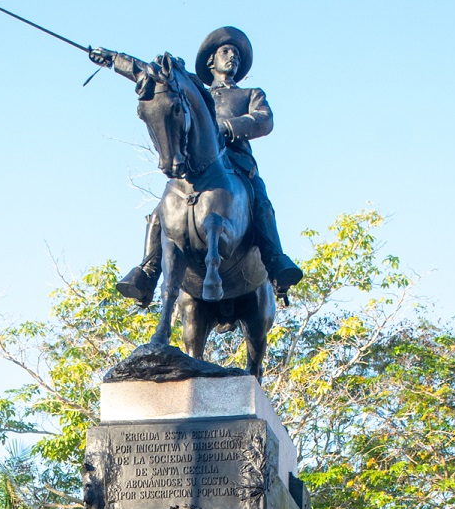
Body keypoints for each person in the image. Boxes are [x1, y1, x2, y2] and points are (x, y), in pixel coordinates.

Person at [92, 26, 303, 306]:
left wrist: (227, 127)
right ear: (210, 62)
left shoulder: (250, 94)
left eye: (236, 54)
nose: (232, 57)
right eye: (226, 51)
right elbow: (153, 72)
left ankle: (275, 262)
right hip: (195, 167)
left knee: (261, 202)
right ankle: (148, 272)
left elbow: (264, 120)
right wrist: (112, 59)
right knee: (162, 210)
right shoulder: (193, 90)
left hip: (237, 164)